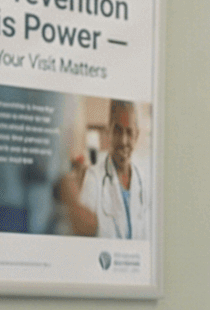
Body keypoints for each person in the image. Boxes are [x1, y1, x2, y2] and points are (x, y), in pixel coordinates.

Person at [60, 98, 150, 239]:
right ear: (109, 132)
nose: (123, 140)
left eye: (129, 132)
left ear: (136, 135)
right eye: (118, 131)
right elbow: (82, 233)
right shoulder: (93, 177)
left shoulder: (145, 181)